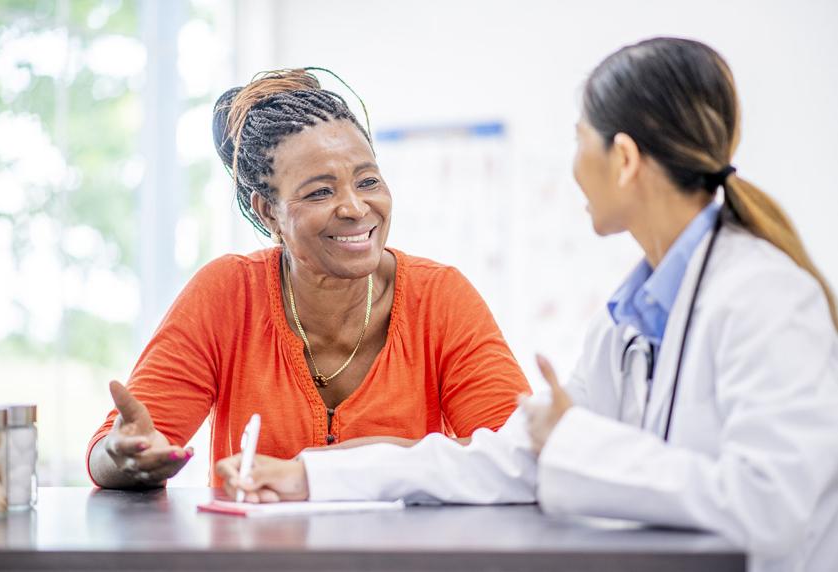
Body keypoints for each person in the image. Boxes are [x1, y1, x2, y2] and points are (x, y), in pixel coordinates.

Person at [215, 39, 838, 571]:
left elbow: (771, 509)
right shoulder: (628, 320)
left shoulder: (766, 299)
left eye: (578, 141)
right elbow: (514, 459)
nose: (571, 168)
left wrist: (576, 446)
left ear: (622, 160)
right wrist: (311, 478)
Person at [86, 69, 529, 489]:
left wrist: (326, 471)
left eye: (368, 181)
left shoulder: (440, 297)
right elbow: (114, 453)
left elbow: (518, 455)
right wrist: (125, 454)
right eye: (320, 191)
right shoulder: (227, 294)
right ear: (268, 212)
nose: (355, 208)